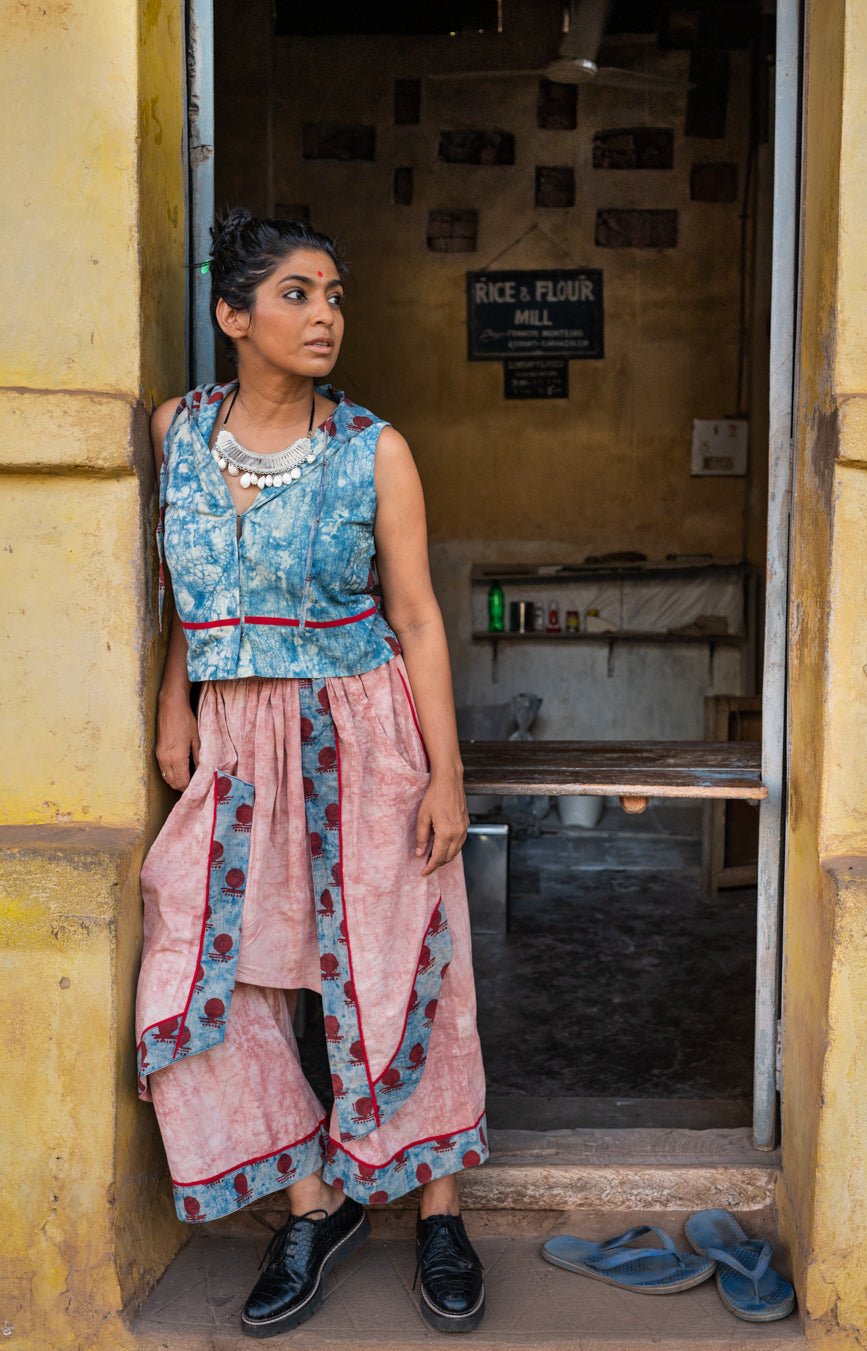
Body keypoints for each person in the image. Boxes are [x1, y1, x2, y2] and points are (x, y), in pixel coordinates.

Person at [135, 209, 488, 1338]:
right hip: (238, 740)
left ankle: (439, 1209)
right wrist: (175, 693)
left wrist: (446, 774)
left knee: (399, 965)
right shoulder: (176, 430)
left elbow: (420, 617)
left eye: (333, 295)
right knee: (208, 968)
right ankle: (313, 1201)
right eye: (295, 294)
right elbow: (179, 584)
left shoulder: (373, 448)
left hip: (363, 729)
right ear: (233, 317)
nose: (324, 315)